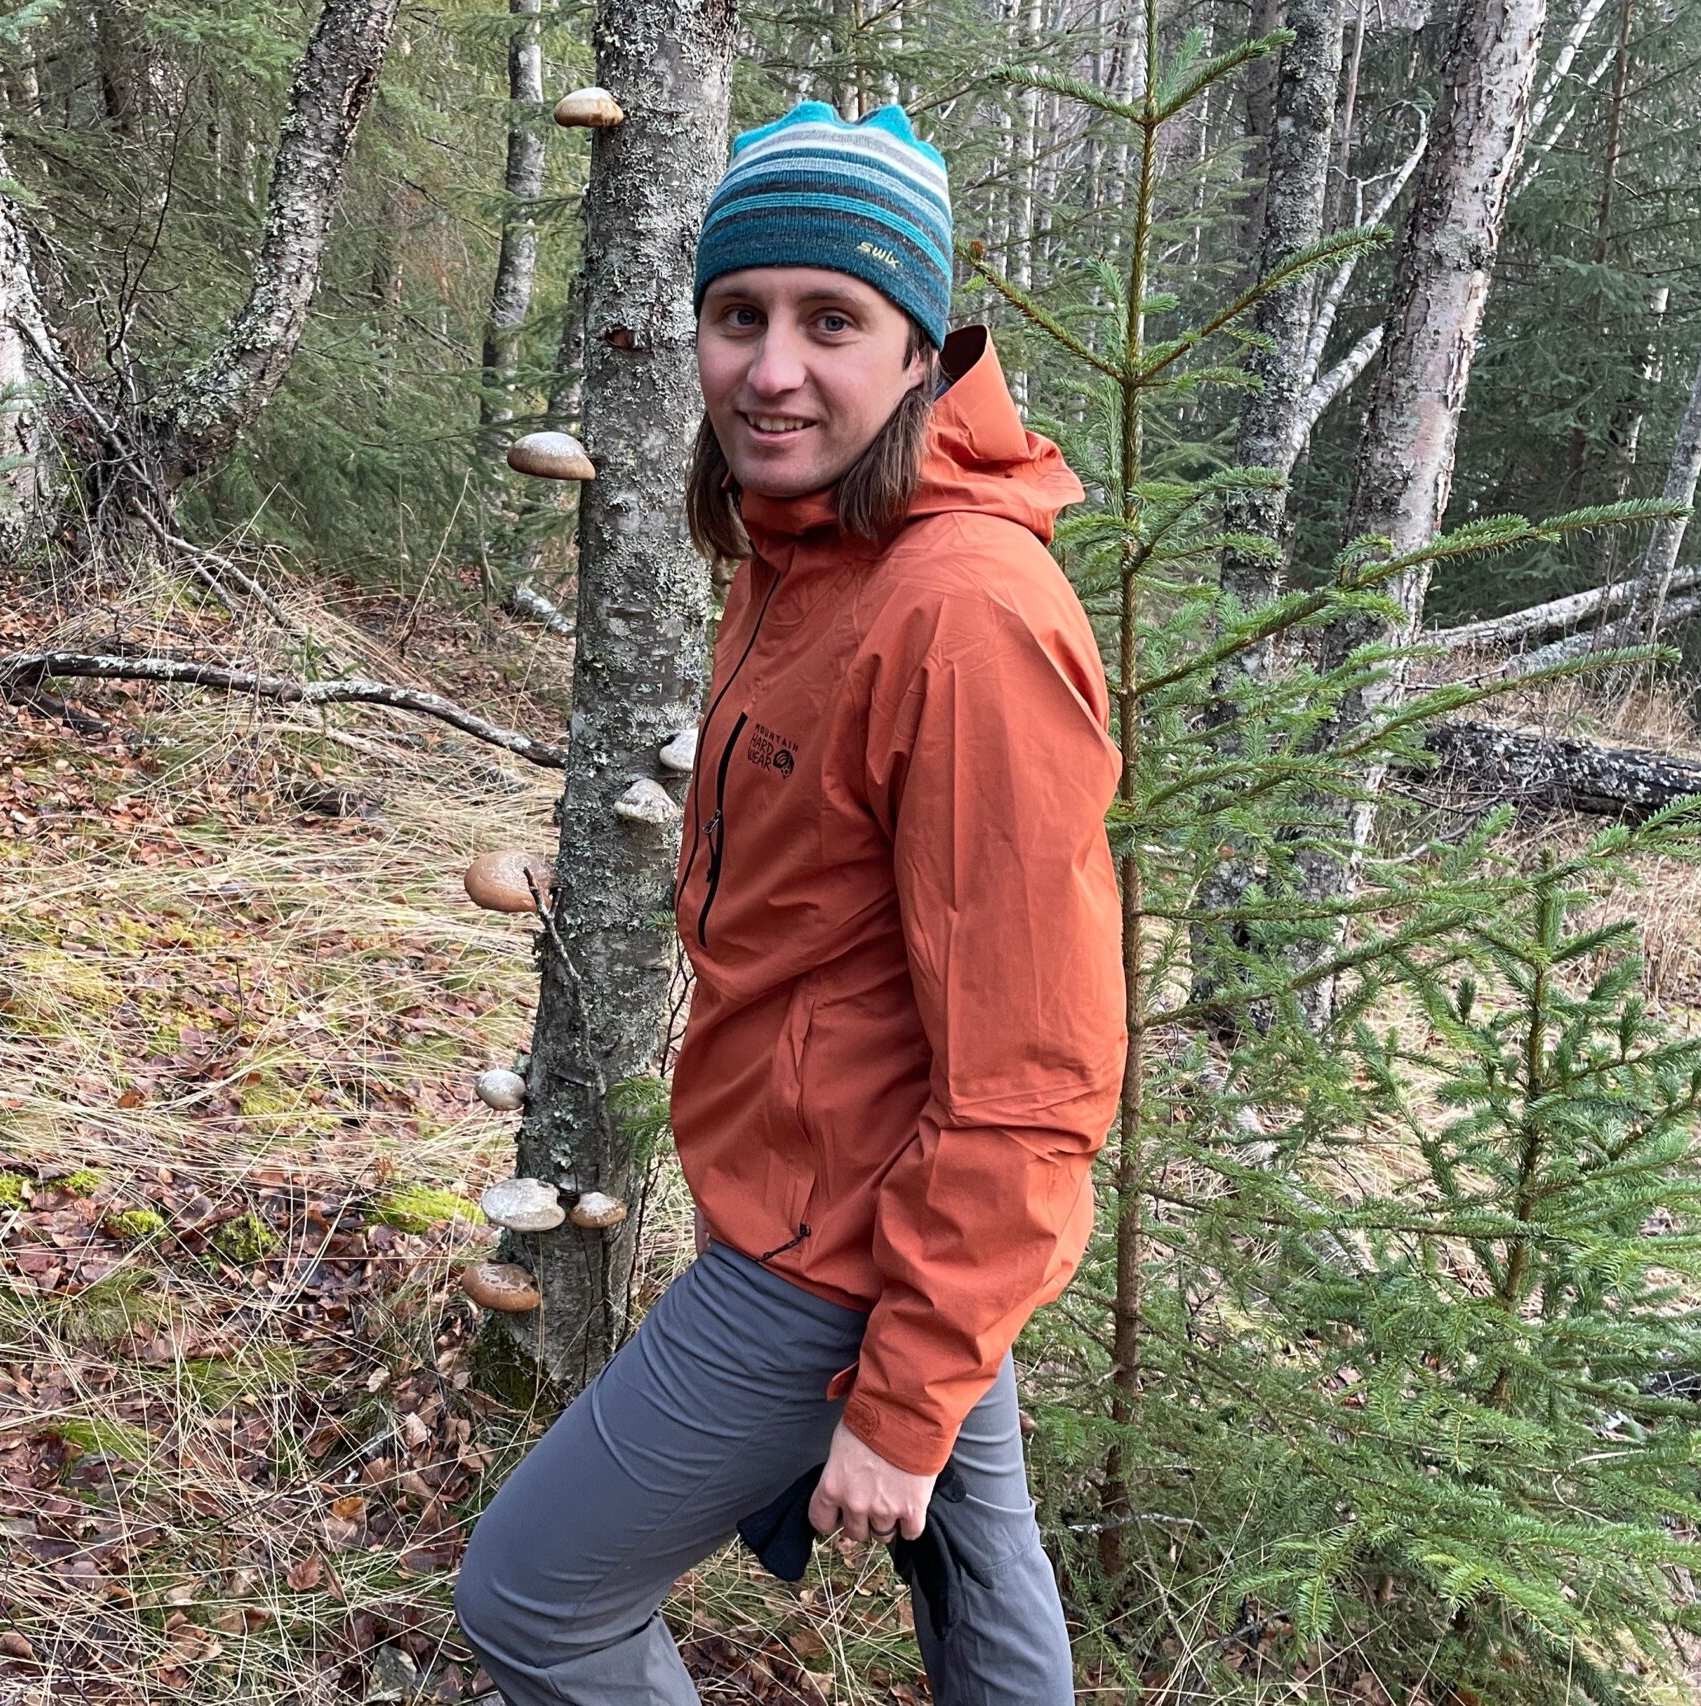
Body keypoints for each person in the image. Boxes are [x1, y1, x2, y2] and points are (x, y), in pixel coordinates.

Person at [453, 100, 1127, 1706]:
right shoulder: (808, 549)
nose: (773, 368)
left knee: (534, 1600)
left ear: (919, 350)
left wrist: (899, 1395)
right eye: (737, 315)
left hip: (830, 1246)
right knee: (984, 1594)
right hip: (884, 1203)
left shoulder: (962, 617)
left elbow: (1036, 1077)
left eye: (833, 321)